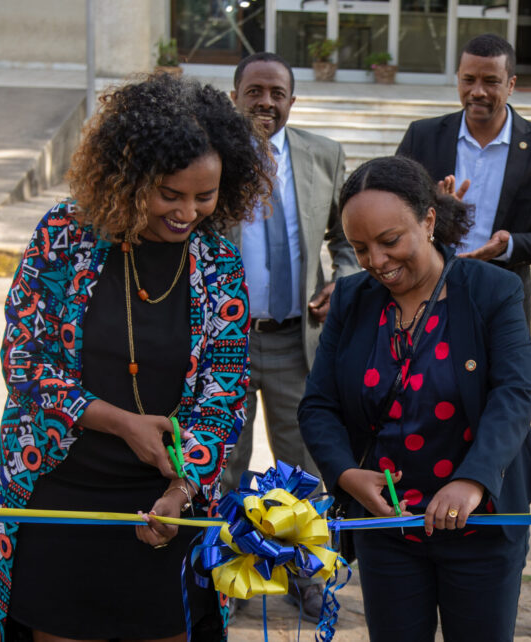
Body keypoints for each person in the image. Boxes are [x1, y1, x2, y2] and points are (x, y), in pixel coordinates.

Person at [0, 73, 270, 642]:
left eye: (204, 196)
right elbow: (24, 361)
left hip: (164, 505)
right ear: (130, 178)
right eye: (169, 194)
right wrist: (119, 422)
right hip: (60, 497)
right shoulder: (64, 236)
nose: (187, 213)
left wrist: (181, 494)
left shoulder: (220, 267)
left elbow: (225, 397)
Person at [298, 156, 531, 642]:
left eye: (390, 241)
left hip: (480, 523)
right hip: (387, 527)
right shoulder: (352, 299)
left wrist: (473, 480)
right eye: (360, 248)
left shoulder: (492, 290)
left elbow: (514, 394)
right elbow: (318, 406)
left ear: (430, 220)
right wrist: (346, 475)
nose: (376, 261)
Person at [221, 52, 358, 618]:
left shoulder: (322, 155)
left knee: (303, 464)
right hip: (224, 341)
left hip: (295, 339)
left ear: (292, 101)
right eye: (254, 91)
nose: (265, 102)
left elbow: (347, 237)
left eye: (277, 92)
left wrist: (343, 281)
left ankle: (306, 577)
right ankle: (228, 581)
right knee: (224, 461)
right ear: (236, 97)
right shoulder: (213, 156)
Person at [396, 33, 531, 326]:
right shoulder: (422, 136)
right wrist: (436, 210)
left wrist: (508, 245)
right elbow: (392, 213)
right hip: (425, 295)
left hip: (500, 300)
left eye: (491, 81)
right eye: (468, 80)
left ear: (511, 84)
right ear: (458, 80)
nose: (477, 91)